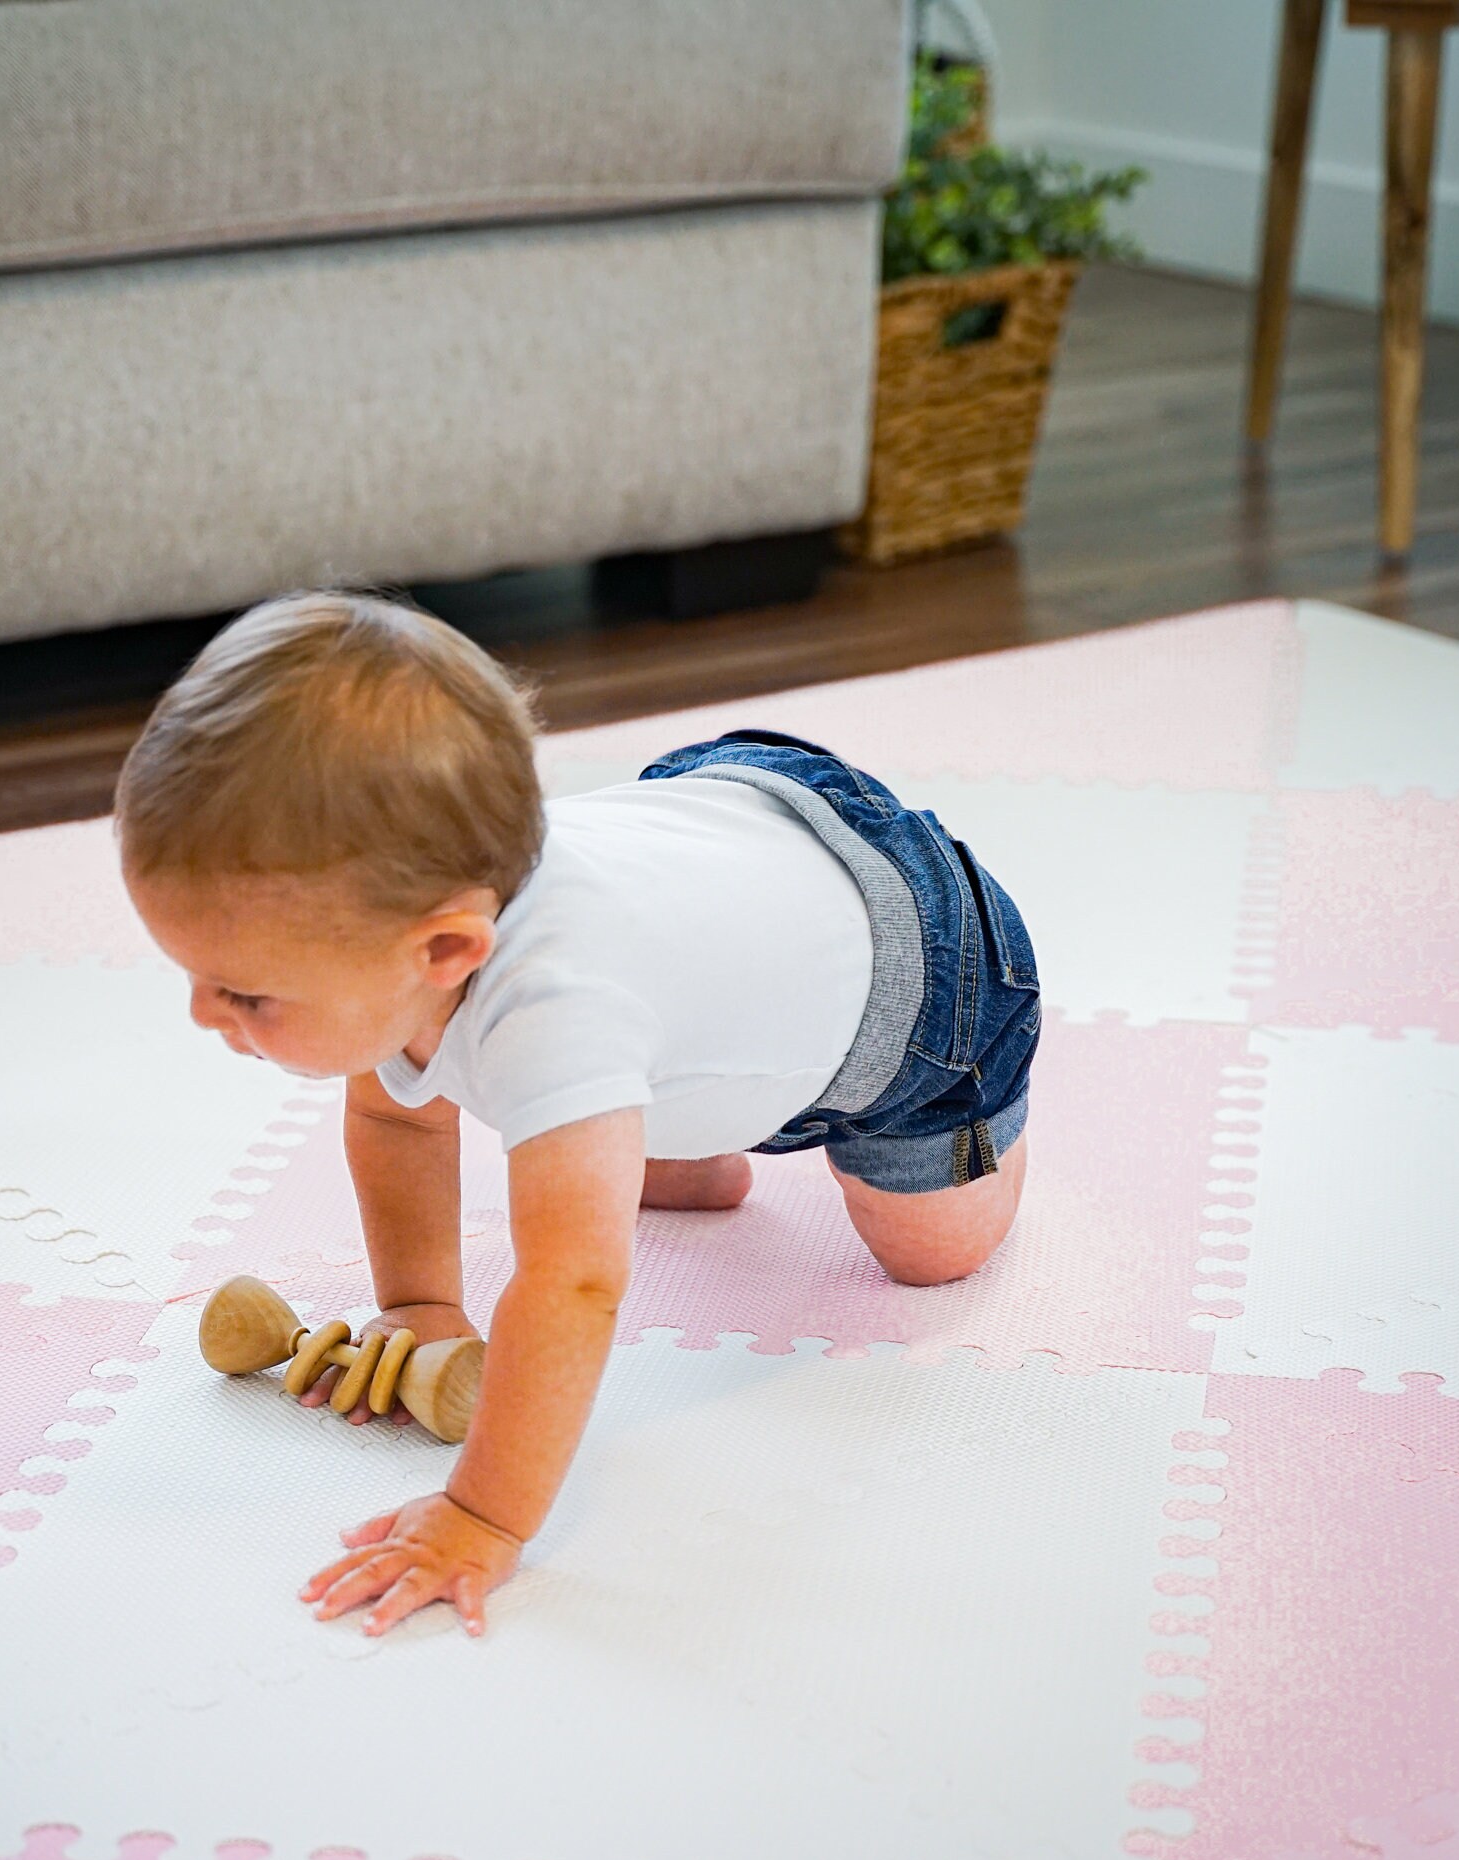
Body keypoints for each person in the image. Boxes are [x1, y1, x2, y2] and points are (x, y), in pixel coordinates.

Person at [116, 591, 1040, 1638]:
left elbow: (576, 1284)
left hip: (918, 979)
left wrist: (482, 1514)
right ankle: (677, 1126)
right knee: (585, 1120)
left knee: (931, 1254)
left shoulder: (559, 1011)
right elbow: (398, 1122)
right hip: (731, 828)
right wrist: (419, 1306)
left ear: (444, 952)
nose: (203, 1014)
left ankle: (988, 1120)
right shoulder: (413, 941)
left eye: (245, 993)